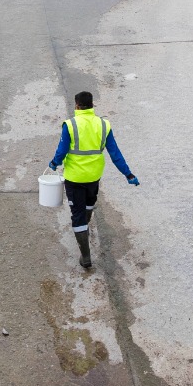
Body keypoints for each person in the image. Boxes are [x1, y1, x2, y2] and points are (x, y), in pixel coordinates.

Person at [48, 91, 137, 270]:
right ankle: (85, 226)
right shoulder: (104, 125)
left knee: (77, 215)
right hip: (94, 176)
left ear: (77, 105)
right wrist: (128, 174)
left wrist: (54, 163)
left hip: (74, 178)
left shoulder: (70, 125)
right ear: (92, 105)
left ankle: (86, 256)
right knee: (89, 205)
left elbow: (61, 151)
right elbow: (115, 153)